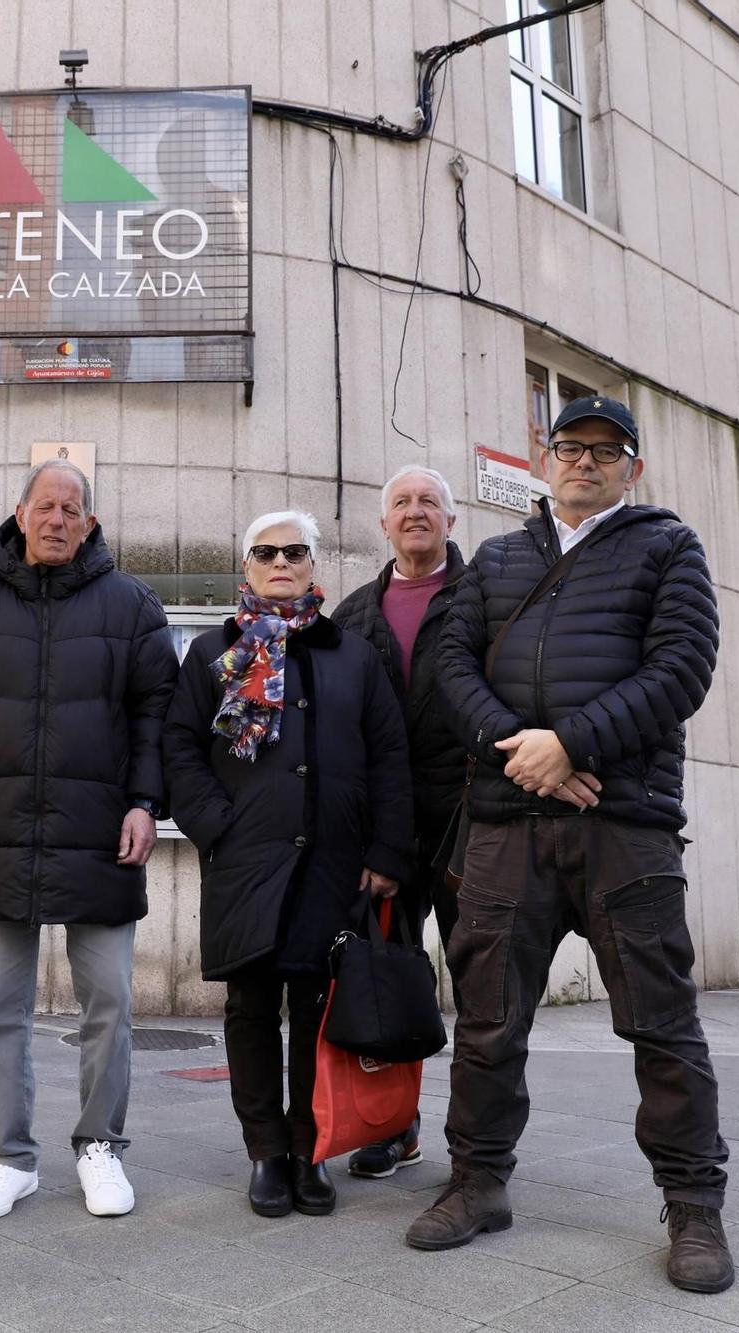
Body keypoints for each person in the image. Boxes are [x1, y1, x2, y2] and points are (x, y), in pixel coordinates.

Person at [413, 394, 730, 1294]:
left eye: (606, 450)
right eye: (569, 446)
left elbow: (682, 669)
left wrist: (575, 743)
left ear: (635, 466)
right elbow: (452, 666)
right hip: (506, 827)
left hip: (624, 825)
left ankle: (695, 1205)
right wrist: (527, 755)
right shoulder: (501, 558)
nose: (584, 461)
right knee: (485, 1020)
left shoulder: (669, 547)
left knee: (663, 1024)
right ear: (540, 457)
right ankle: (476, 1183)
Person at [0, 460, 177, 1222]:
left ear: (90, 523)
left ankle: (100, 1147)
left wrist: (147, 802)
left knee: (111, 1003)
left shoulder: (133, 606)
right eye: (45, 506)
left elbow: (157, 714)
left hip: (100, 834)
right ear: (20, 514)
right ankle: (10, 1157)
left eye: (73, 509)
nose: (58, 519)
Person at [164, 511, 413, 1219]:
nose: (281, 561)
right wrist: (216, 826)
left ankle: (310, 1151)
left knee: (314, 1010)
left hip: (333, 863)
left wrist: (386, 850)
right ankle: (265, 1153)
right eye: (265, 552)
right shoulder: (215, 649)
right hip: (245, 861)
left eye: (294, 551)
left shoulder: (353, 654)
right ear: (246, 568)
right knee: (249, 1007)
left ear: (313, 565)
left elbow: (389, 757)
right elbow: (180, 748)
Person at [330, 465, 471, 1179]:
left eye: (429, 503)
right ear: (382, 525)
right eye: (402, 504)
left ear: (452, 521)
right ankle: (395, 1122)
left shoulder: (487, 600)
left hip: (472, 827)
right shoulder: (353, 615)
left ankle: (477, 1138)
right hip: (385, 831)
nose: (415, 513)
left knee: (483, 986)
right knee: (384, 975)